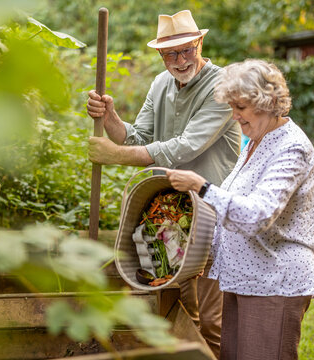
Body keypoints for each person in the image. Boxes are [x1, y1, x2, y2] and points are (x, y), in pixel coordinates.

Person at [86, 10, 241, 358]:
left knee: (212, 320)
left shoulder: (221, 88)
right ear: (160, 55)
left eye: (187, 49)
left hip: (214, 214)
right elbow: (136, 137)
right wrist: (110, 117)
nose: (181, 59)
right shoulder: (160, 84)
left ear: (199, 43)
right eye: (171, 53)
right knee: (177, 307)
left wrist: (112, 156)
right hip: (170, 214)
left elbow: (181, 148)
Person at [165, 59, 314, 360]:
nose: (234, 115)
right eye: (232, 106)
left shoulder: (291, 147)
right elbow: (233, 208)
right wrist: (203, 250)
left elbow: (257, 216)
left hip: (275, 280)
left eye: (240, 107)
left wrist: (202, 187)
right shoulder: (255, 142)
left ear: (269, 102)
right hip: (245, 277)